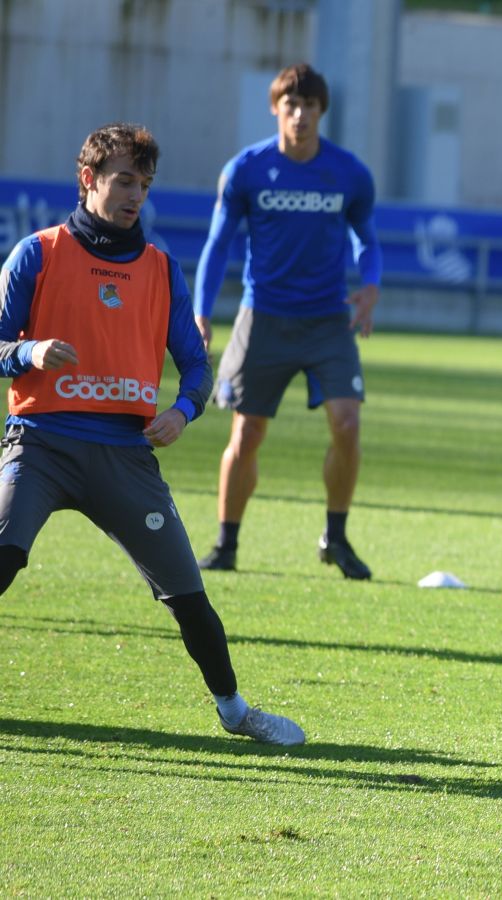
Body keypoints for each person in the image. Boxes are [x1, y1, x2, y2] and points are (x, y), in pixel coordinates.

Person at [0, 123, 305, 746]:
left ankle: (235, 710)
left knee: (189, 596)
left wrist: (184, 411)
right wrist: (27, 353)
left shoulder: (162, 269)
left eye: (144, 183)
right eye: (123, 181)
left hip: (125, 456)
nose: (135, 195)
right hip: (41, 444)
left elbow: (196, 364)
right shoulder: (39, 252)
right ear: (88, 180)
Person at [193, 63, 382, 579]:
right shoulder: (246, 169)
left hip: (327, 320)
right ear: (275, 109)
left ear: (322, 112)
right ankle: (226, 543)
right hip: (264, 317)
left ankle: (336, 538)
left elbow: (367, 238)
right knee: (247, 433)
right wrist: (202, 312)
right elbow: (218, 244)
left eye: (310, 106)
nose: (300, 115)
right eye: (290, 105)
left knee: (348, 423)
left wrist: (370, 284)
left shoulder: (348, 173)